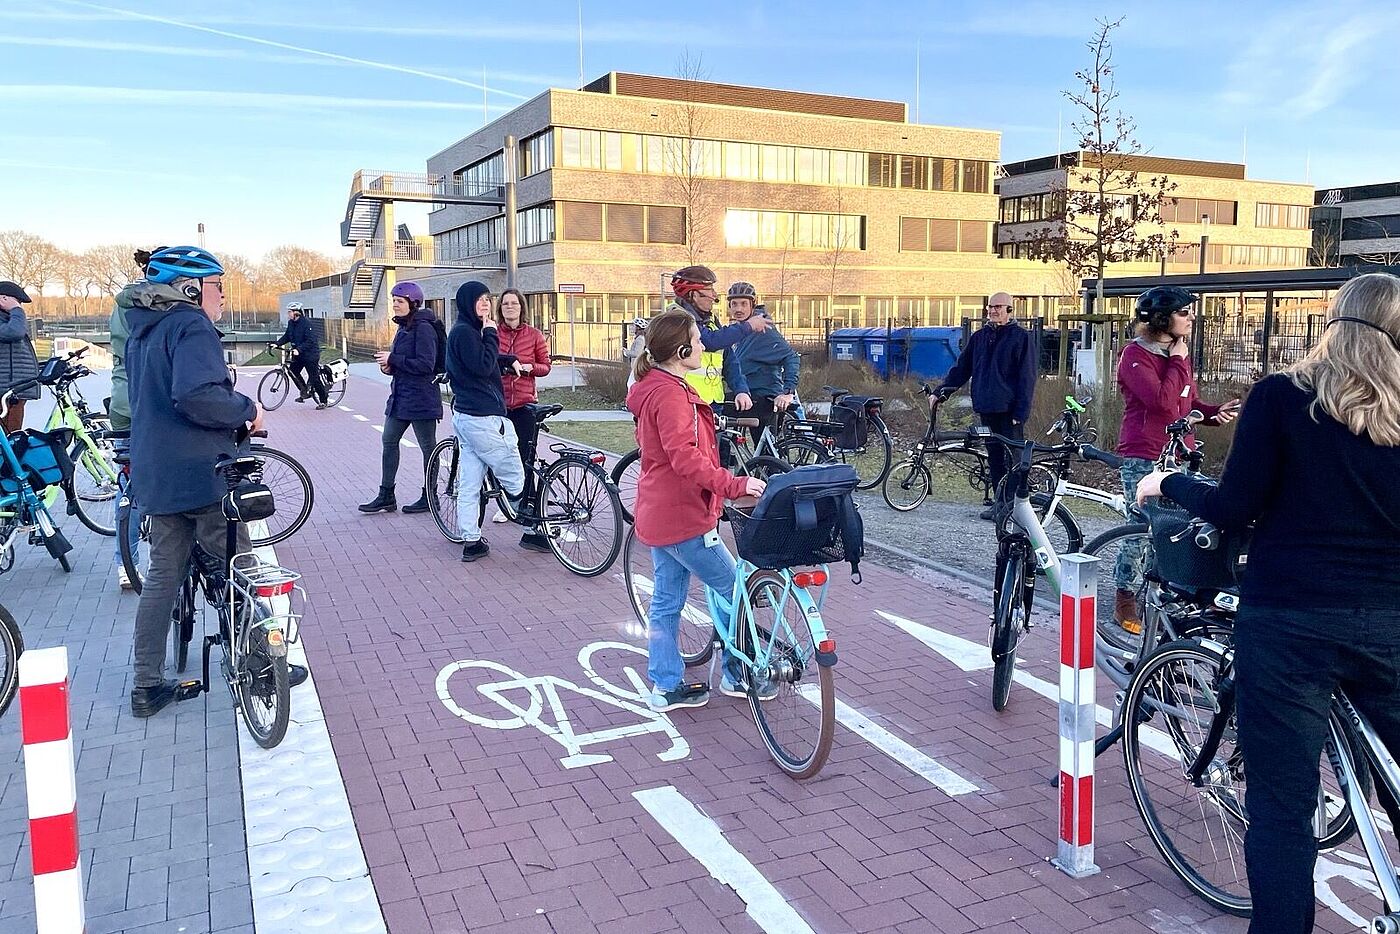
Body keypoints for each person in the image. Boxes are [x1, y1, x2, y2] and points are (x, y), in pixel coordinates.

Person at [1135, 272, 1400, 934]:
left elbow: (1234, 506)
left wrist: (1169, 484)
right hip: (1390, 621)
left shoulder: (1283, 397)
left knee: (1282, 809)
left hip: (1289, 623)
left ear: (1333, 321)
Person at [123, 246, 306, 717]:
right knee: (240, 568)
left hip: (158, 473)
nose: (223, 295)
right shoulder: (191, 324)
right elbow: (196, 395)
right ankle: (263, 664)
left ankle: (146, 684)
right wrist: (248, 409)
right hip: (203, 472)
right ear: (190, 289)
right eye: (217, 285)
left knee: (162, 577)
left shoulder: (143, 329)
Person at [627, 310, 767, 712]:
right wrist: (735, 485)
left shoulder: (655, 387)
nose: (704, 345)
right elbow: (684, 458)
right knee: (738, 591)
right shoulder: (671, 394)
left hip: (659, 512)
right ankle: (738, 675)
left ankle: (665, 684)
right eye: (697, 340)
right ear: (681, 351)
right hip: (685, 516)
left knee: (666, 602)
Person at [1110, 285, 1240, 633]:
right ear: (1160, 319)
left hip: (1178, 451)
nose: (1191, 318)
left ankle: (1164, 598)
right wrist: (1179, 362)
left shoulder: (1176, 354)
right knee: (1142, 528)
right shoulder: (1136, 356)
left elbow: (1186, 402)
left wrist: (1213, 413)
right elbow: (1162, 403)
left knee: (1174, 530)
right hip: (1146, 452)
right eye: (1184, 312)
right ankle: (1125, 598)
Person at [934, 291, 1036, 520]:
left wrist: (1021, 411)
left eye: (998, 307)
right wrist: (941, 391)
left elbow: (1027, 376)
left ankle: (1013, 507)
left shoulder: (1021, 338)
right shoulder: (979, 337)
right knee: (995, 457)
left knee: (1013, 459)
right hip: (986, 407)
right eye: (991, 307)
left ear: (1009, 310)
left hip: (1010, 411)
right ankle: (1000, 503)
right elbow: (962, 369)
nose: (993, 311)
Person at [445, 281, 526, 562]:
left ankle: (472, 541)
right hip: (483, 417)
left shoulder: (465, 330)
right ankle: (532, 523)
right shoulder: (466, 332)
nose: (485, 304)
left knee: (469, 483)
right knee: (514, 474)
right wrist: (492, 333)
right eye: (479, 299)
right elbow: (481, 365)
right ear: (467, 303)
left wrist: (507, 359)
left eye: (487, 299)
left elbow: (480, 360)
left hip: (467, 416)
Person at [360, 281, 441, 515]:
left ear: (412, 303)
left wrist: (393, 359)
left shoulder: (424, 328)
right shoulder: (404, 326)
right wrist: (389, 367)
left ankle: (430, 496)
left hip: (422, 399)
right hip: (400, 397)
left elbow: (426, 364)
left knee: (428, 448)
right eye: (394, 300)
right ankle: (386, 495)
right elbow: (404, 362)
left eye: (400, 301)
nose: (395, 304)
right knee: (389, 440)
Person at [109, 248, 161, 590]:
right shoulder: (155, 302)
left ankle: (125, 564)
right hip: (148, 402)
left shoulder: (122, 302)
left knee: (128, 484)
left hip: (122, 401)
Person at [492, 288, 552, 548]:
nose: (509, 307)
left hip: (525, 404)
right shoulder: (493, 334)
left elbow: (546, 366)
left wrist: (529, 368)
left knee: (524, 459)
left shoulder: (534, 335)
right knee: (501, 458)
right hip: (498, 403)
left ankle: (529, 508)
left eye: (514, 303)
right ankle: (506, 503)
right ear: (500, 308)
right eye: (505, 303)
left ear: (521, 307)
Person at [666, 265, 771, 405]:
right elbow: (710, 341)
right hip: (687, 401)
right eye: (710, 290)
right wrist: (748, 326)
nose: (714, 295)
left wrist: (741, 390)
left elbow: (729, 359)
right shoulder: (677, 319)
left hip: (714, 402)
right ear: (694, 294)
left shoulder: (710, 320)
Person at [721, 283, 799, 445]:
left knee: (717, 413)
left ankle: (724, 457)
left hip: (761, 397)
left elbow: (791, 357)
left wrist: (788, 391)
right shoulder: (743, 329)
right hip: (750, 395)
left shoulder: (763, 329)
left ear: (753, 304)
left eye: (744, 304)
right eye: (734, 304)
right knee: (763, 451)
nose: (738, 309)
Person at [0, 280, 41, 435]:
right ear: (3, 298)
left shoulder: (7, 319)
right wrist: (16, 310)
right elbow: (15, 332)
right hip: (6, 391)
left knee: (11, 437)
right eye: (17, 301)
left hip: (13, 390)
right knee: (11, 438)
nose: (19, 305)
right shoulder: (12, 319)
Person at [272, 302, 327, 408]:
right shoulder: (291, 323)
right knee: (293, 371)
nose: (288, 314)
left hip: (310, 355)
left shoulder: (307, 324)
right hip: (299, 354)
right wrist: (277, 343)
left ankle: (323, 400)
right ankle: (304, 390)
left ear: (296, 313)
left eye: (290, 312)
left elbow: (311, 340)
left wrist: (299, 349)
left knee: (314, 378)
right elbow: (287, 336)